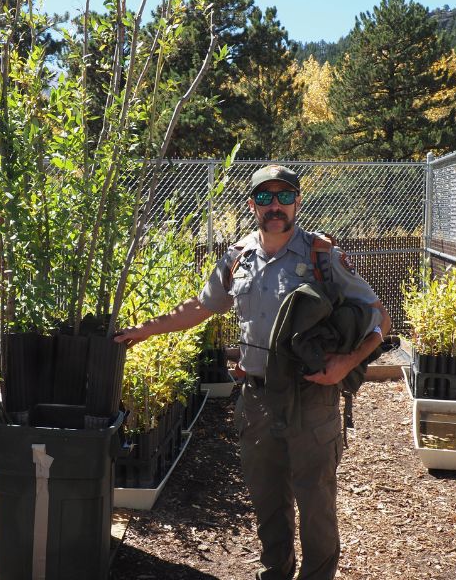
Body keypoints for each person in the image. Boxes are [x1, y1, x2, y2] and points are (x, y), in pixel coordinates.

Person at [115, 164, 391, 580]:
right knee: (267, 501)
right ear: (252, 205)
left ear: (297, 202)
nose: (274, 205)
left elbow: (379, 316)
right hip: (257, 400)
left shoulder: (322, 256)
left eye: (283, 196)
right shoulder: (238, 257)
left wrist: (346, 365)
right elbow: (201, 306)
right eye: (265, 197)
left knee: (315, 503)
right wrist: (144, 330)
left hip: (312, 400)